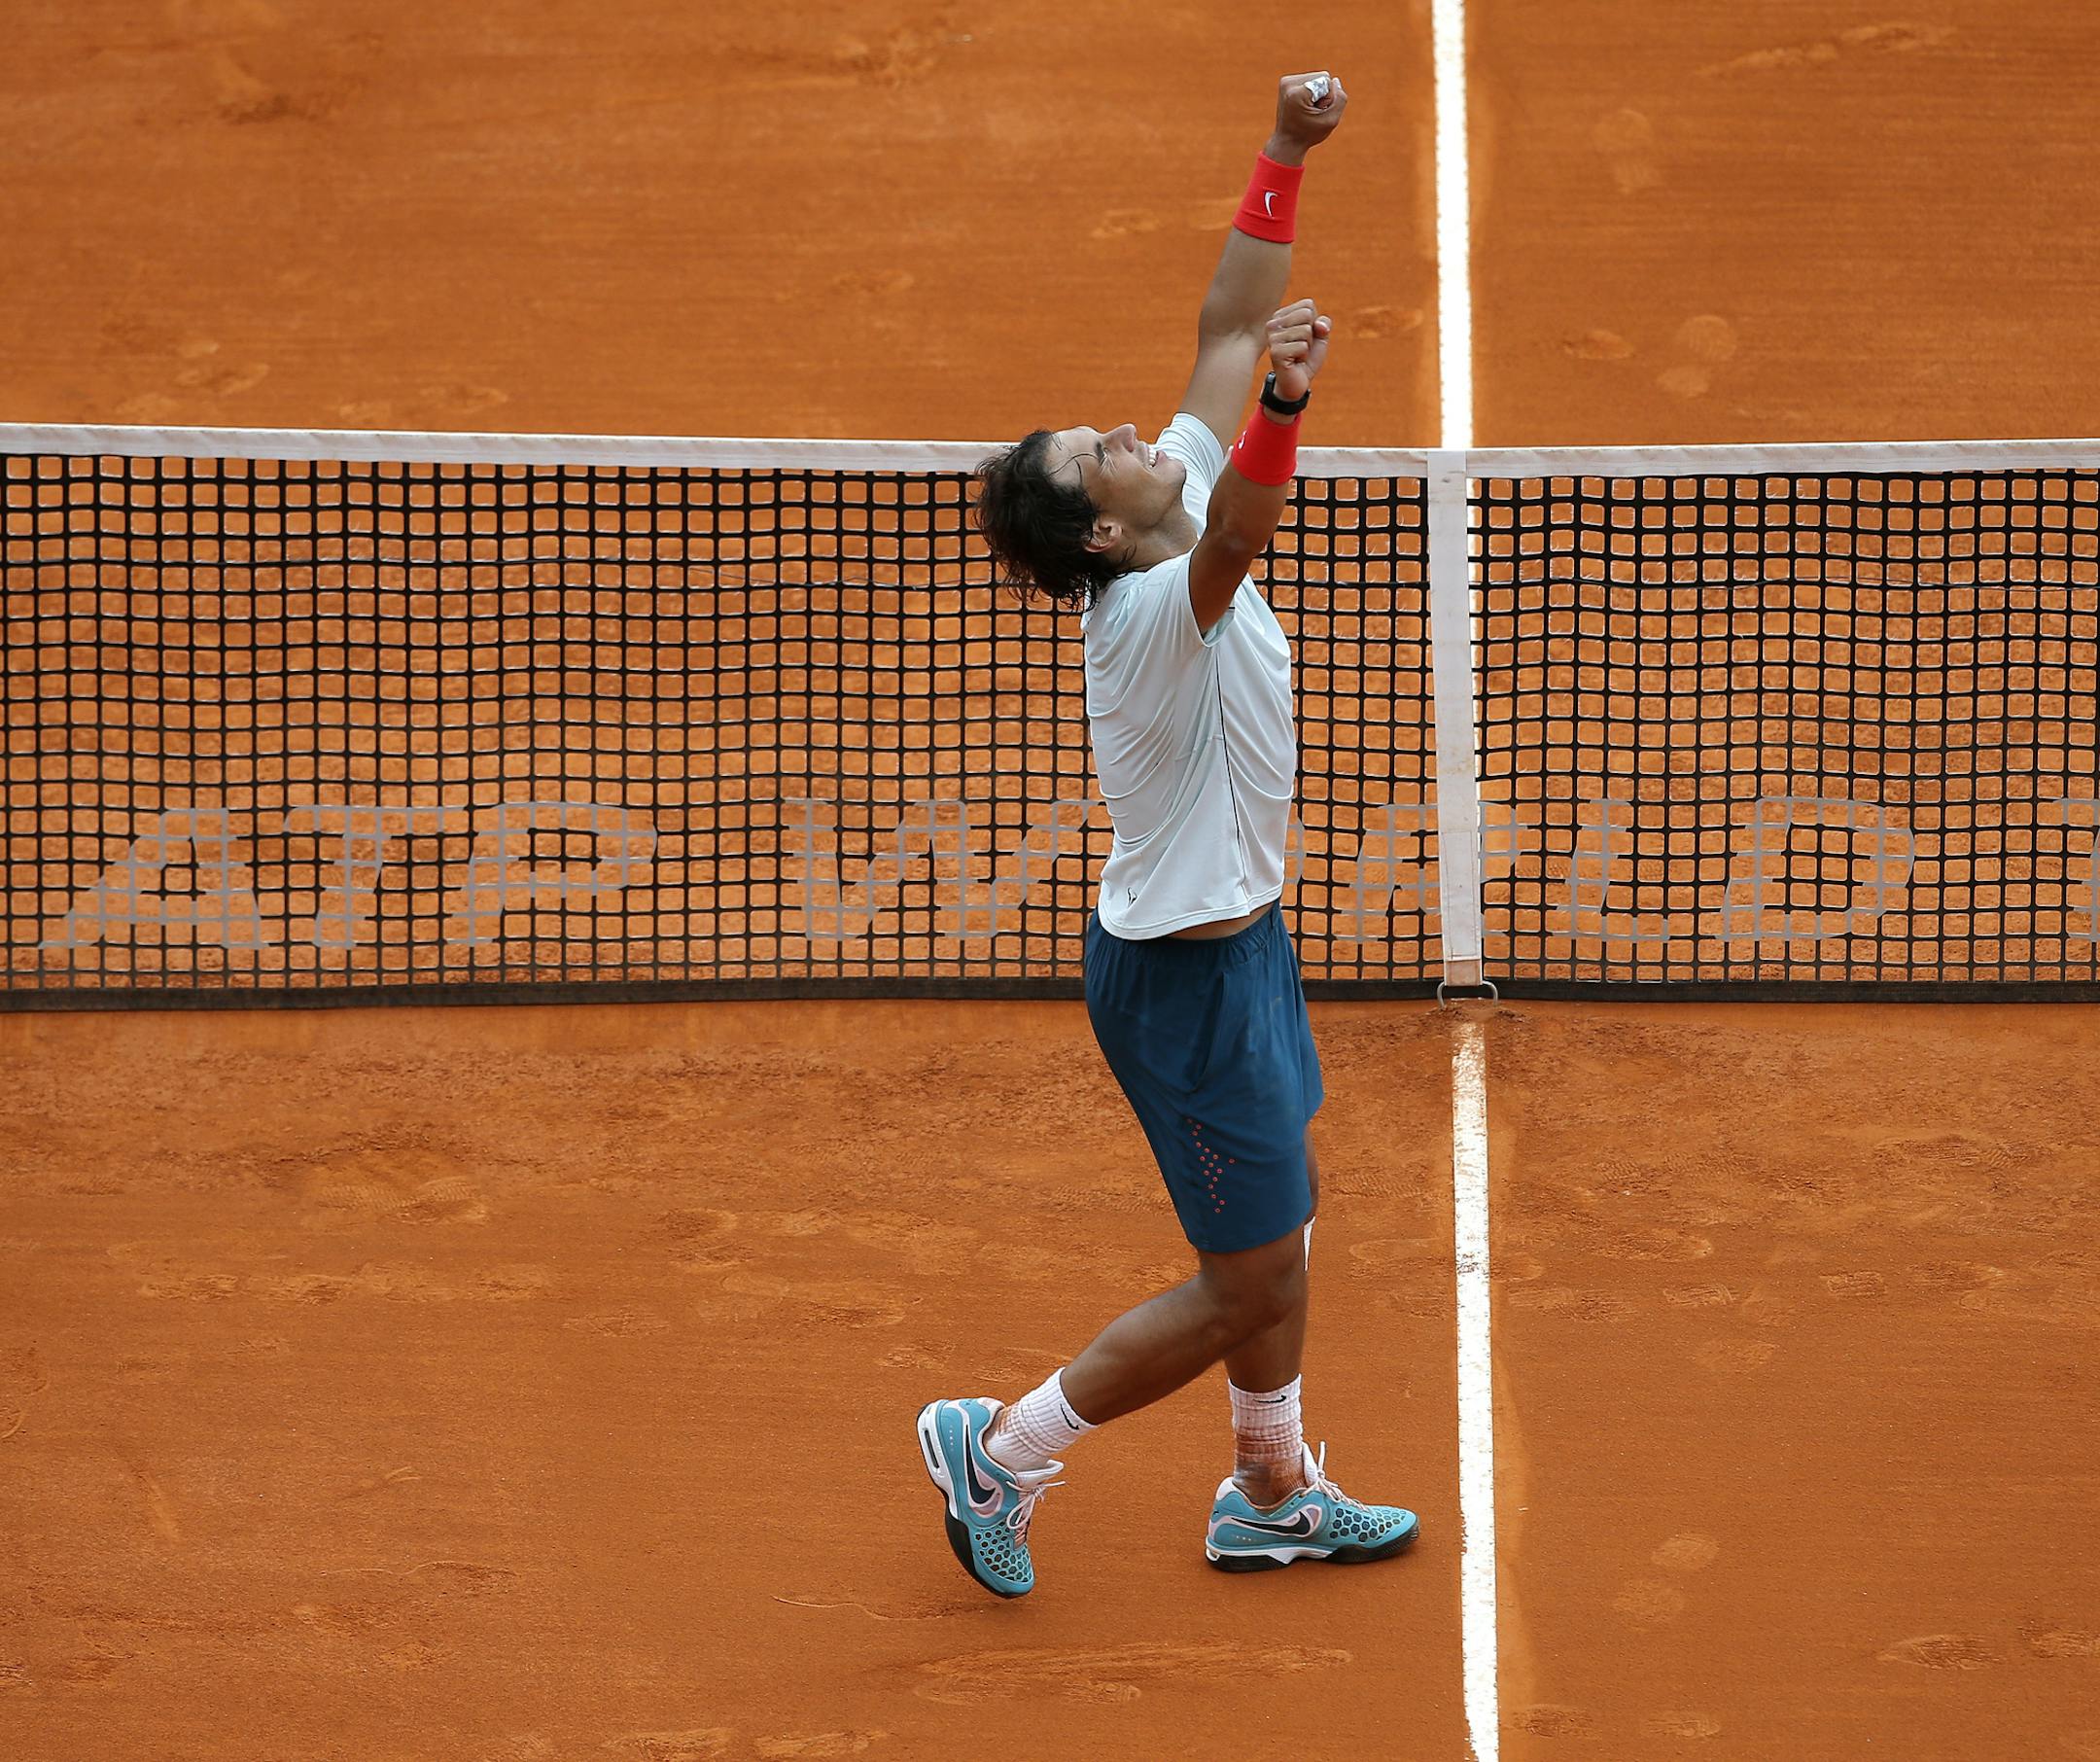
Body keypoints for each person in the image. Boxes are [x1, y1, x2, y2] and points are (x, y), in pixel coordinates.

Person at [916, 71, 1419, 1600]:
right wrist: (1284, 401)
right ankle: (1004, 1447)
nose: (1140, 431)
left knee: (1288, 1235)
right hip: (1184, 998)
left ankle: (1268, 1479)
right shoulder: (1150, 610)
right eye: (1107, 454)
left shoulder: (1163, 503)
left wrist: (1285, 152)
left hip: (1238, 951)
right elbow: (1251, 511)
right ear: (1103, 534)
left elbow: (1216, 326)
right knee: (1247, 1274)